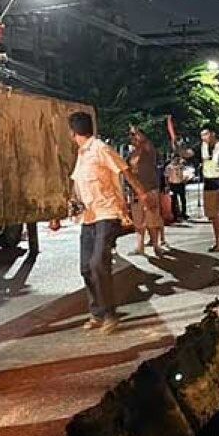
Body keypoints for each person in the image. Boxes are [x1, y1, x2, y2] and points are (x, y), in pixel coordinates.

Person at [52, 112, 149, 335]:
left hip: (107, 214)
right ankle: (96, 313)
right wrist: (68, 207)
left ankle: (110, 315)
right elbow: (77, 184)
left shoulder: (100, 148)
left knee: (98, 263)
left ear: (72, 133)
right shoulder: (82, 154)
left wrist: (142, 195)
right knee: (85, 267)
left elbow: (125, 170)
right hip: (89, 216)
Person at [126, 125, 165, 256]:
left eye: (135, 135)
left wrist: (136, 130)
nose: (133, 138)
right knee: (138, 221)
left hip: (149, 189)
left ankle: (156, 245)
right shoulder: (132, 153)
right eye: (131, 136)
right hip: (136, 190)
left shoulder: (148, 149)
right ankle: (140, 246)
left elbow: (144, 142)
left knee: (152, 219)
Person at [164, 155, 187, 222]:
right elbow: (166, 176)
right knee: (173, 201)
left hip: (180, 184)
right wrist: (167, 186)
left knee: (183, 200)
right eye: (176, 159)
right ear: (173, 159)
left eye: (178, 159)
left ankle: (183, 214)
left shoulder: (181, 166)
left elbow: (185, 172)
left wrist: (185, 180)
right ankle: (175, 216)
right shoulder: (169, 167)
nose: (177, 160)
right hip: (173, 185)